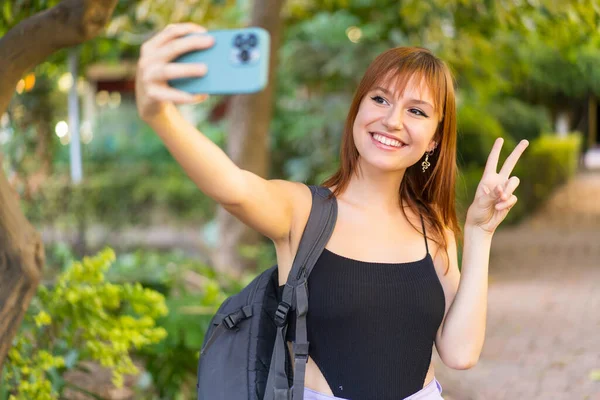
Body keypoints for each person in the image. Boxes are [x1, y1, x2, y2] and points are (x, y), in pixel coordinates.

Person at [135, 23, 529, 400]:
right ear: (357, 110)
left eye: (417, 111)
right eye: (380, 99)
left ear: (433, 140)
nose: (392, 120)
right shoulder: (304, 211)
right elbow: (233, 188)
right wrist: (160, 115)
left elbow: (460, 353)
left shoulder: (432, 226)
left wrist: (480, 234)